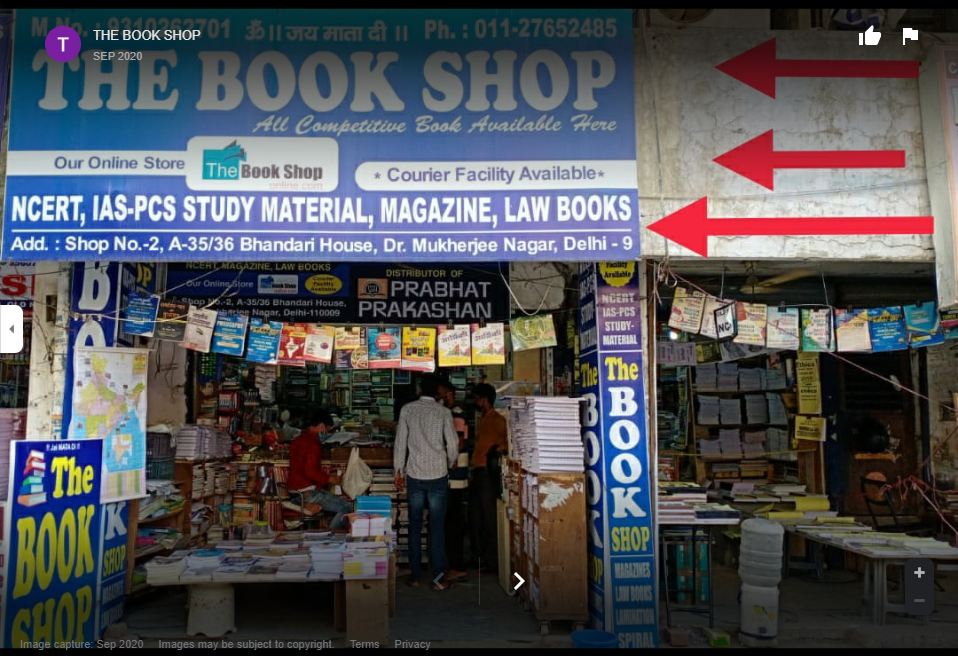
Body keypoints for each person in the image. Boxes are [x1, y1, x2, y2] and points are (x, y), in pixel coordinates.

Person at [393, 373, 459, 591]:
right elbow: (452, 444)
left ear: (420, 390)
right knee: (437, 528)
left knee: (414, 526)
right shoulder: (444, 412)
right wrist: (449, 463)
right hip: (438, 475)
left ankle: (414, 576)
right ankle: (439, 579)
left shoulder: (407, 410)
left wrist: (398, 470)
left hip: (415, 474)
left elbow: (400, 442)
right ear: (437, 393)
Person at [287, 408, 352, 530]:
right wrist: (330, 479)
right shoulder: (313, 444)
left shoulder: (298, 440)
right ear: (322, 426)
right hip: (307, 493)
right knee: (346, 508)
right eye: (327, 429)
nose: (327, 433)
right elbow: (310, 472)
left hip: (294, 493)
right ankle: (330, 536)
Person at [469, 383, 509, 575]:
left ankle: (491, 561)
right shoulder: (484, 419)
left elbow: (506, 445)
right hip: (478, 471)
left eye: (477, 398)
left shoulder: (497, 420)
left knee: (488, 518)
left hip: (486, 473)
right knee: (476, 517)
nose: (475, 402)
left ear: (484, 399)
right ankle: (479, 557)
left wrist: (495, 452)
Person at [437, 376, 470, 583]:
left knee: (452, 522)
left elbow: (457, 444)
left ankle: (457, 566)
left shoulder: (455, 414)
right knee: (451, 521)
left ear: (448, 395)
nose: (437, 398)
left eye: (440, 395)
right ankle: (455, 564)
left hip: (455, 477)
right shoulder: (451, 413)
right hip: (454, 476)